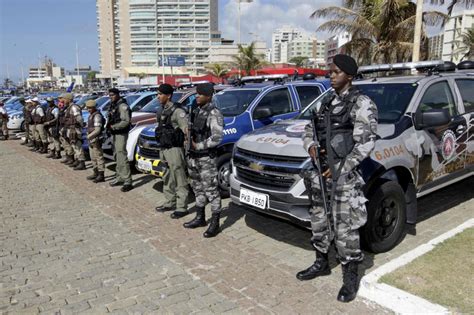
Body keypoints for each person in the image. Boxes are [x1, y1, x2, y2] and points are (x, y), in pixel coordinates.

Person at [296, 54, 378, 303]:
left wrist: (342, 166)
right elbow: (309, 129)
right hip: (319, 173)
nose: (331, 76)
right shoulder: (327, 102)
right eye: (330, 72)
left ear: (349, 76)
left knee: (345, 228)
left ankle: (350, 279)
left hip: (344, 177)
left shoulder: (362, 104)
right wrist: (310, 145)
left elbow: (366, 143)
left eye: (336, 72)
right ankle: (321, 262)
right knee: (319, 219)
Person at [183, 83, 224, 238]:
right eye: (196, 94)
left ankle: (215, 222)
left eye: (200, 94)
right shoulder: (196, 110)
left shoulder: (214, 113)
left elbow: (217, 138)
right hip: (193, 157)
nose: (196, 96)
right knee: (197, 188)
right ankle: (200, 217)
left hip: (206, 157)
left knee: (211, 191)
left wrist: (198, 145)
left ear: (208, 95)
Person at [154, 84, 190, 218]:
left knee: (179, 177)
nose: (158, 96)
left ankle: (182, 207)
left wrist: (188, 148)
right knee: (167, 176)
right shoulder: (161, 110)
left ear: (168, 95)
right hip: (164, 148)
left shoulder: (177, 111)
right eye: (157, 94)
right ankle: (170, 201)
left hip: (175, 149)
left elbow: (186, 130)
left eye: (160, 94)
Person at [107, 88, 133, 192]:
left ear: (118, 95)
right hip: (114, 133)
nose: (111, 97)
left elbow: (126, 121)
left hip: (121, 133)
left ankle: (127, 180)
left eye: (113, 95)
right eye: (110, 95)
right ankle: (120, 177)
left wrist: (114, 127)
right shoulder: (113, 105)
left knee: (122, 155)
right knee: (116, 155)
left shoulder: (122, 106)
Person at [63, 93, 86, 170]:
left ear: (69, 99)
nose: (64, 100)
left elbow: (79, 118)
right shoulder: (69, 107)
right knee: (73, 145)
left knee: (77, 145)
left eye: (65, 99)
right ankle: (77, 160)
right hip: (70, 128)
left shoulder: (74, 107)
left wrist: (81, 126)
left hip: (75, 129)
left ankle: (82, 162)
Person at [85, 100, 106, 183]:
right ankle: (95, 172)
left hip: (96, 139)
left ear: (94, 107)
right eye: (88, 108)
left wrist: (89, 136)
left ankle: (101, 175)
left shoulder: (97, 116)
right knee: (92, 157)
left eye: (90, 108)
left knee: (98, 157)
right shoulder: (91, 115)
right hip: (91, 139)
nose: (88, 109)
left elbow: (97, 130)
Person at [58, 97, 75, 165]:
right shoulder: (65, 108)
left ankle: (71, 158)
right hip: (63, 127)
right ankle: (68, 157)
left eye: (63, 99)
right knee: (64, 144)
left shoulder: (71, 108)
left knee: (69, 144)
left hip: (68, 127)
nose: (62, 100)